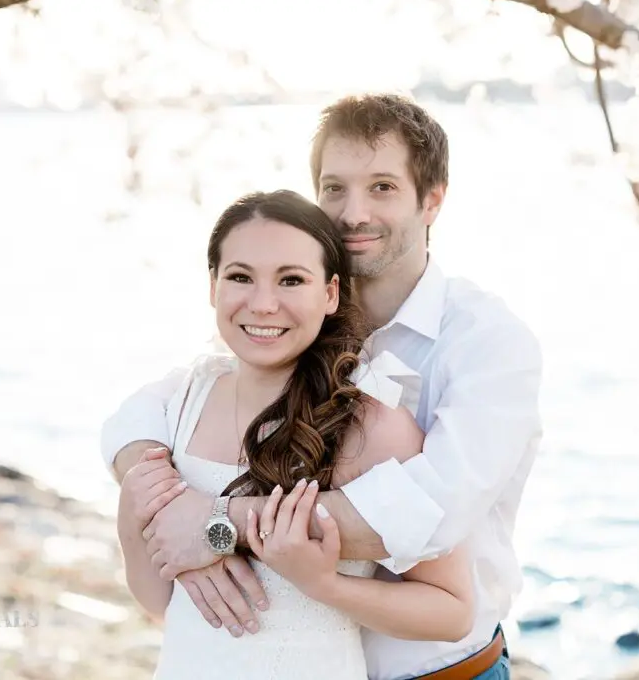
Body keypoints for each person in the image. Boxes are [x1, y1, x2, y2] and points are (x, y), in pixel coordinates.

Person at [103, 94, 543, 680]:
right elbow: (142, 416)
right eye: (335, 188)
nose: (353, 213)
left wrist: (215, 525)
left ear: (432, 200)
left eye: (382, 187)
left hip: (436, 670)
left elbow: (430, 512)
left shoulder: (487, 343)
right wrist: (162, 501)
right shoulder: (292, 319)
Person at [118, 189, 476, 679]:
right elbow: (159, 602)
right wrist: (138, 519)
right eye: (240, 277)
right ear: (213, 286)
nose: (264, 304)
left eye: (291, 280)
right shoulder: (182, 403)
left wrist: (326, 586)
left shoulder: (370, 427)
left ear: (330, 294)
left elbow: (453, 612)